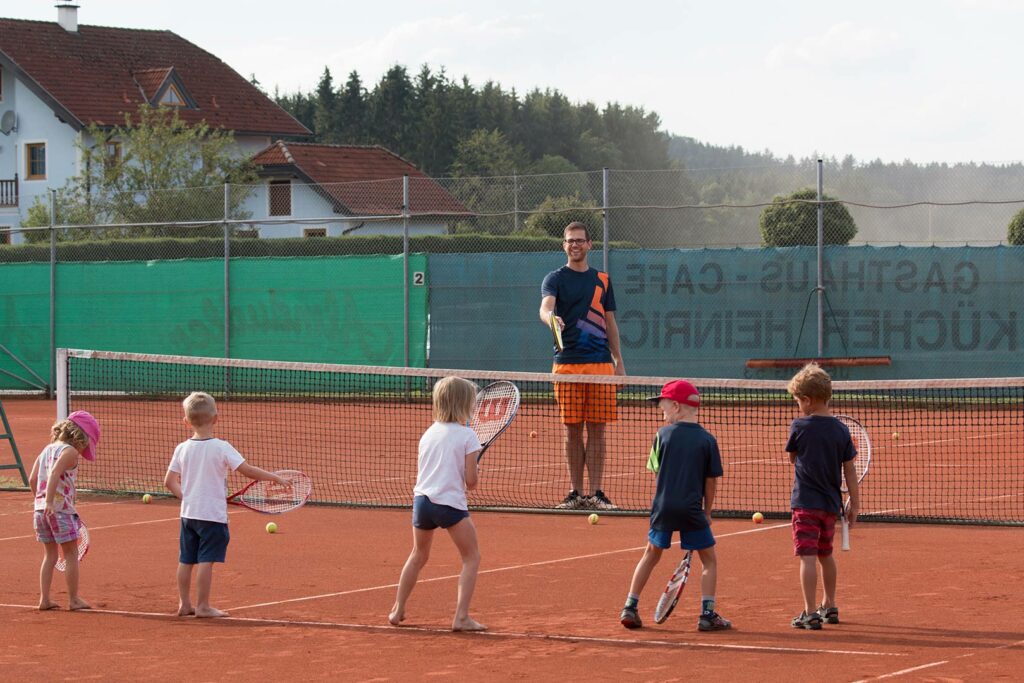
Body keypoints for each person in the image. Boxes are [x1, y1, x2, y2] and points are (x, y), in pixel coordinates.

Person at [619, 380, 731, 632]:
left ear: (677, 406)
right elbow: (710, 481)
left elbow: (656, 473)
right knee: (709, 560)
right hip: (692, 509)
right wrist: (707, 512)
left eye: (664, 405)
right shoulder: (708, 440)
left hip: (663, 507)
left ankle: (630, 606)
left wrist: (666, 499)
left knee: (650, 554)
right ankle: (707, 613)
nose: (661, 410)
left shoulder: (661, 435)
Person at [163, 391, 287, 618]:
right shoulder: (221, 447)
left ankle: (185, 604)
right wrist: (275, 477)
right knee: (205, 562)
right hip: (212, 517)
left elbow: (169, 482)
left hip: (188, 515)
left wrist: (187, 498)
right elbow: (247, 470)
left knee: (186, 560)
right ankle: (202, 606)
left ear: (186, 422)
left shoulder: (182, 448)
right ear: (216, 418)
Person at [389, 376, 486, 632]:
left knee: (418, 555)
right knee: (471, 557)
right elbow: (471, 482)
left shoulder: (428, 433)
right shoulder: (468, 435)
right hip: (449, 505)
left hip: (422, 502)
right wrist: (476, 467)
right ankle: (462, 617)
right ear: (464, 403)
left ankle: (398, 609)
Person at [540, 221, 625, 511]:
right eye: (569, 241)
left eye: (579, 240)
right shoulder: (554, 279)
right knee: (572, 430)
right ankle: (575, 493)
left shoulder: (602, 279)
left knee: (598, 430)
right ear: (564, 245)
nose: (574, 245)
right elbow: (546, 308)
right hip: (567, 366)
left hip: (601, 366)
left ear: (589, 244)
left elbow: (610, 322)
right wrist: (551, 319)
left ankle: (597, 493)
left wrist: (619, 361)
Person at [785, 363, 859, 630]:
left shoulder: (800, 425)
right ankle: (829, 605)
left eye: (797, 401)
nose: (797, 406)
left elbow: (793, 457)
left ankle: (808, 611)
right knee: (825, 555)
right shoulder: (841, 430)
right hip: (830, 506)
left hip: (805, 504)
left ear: (807, 400)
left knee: (807, 556)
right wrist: (856, 504)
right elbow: (849, 469)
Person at [29, 410, 101, 611]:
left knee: (50, 556)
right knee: (70, 554)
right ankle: (74, 599)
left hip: (40, 511)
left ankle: (44, 599)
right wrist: (51, 501)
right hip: (60, 511)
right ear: (80, 436)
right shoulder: (69, 452)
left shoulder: (47, 449)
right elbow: (54, 473)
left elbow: (33, 479)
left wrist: (42, 501)